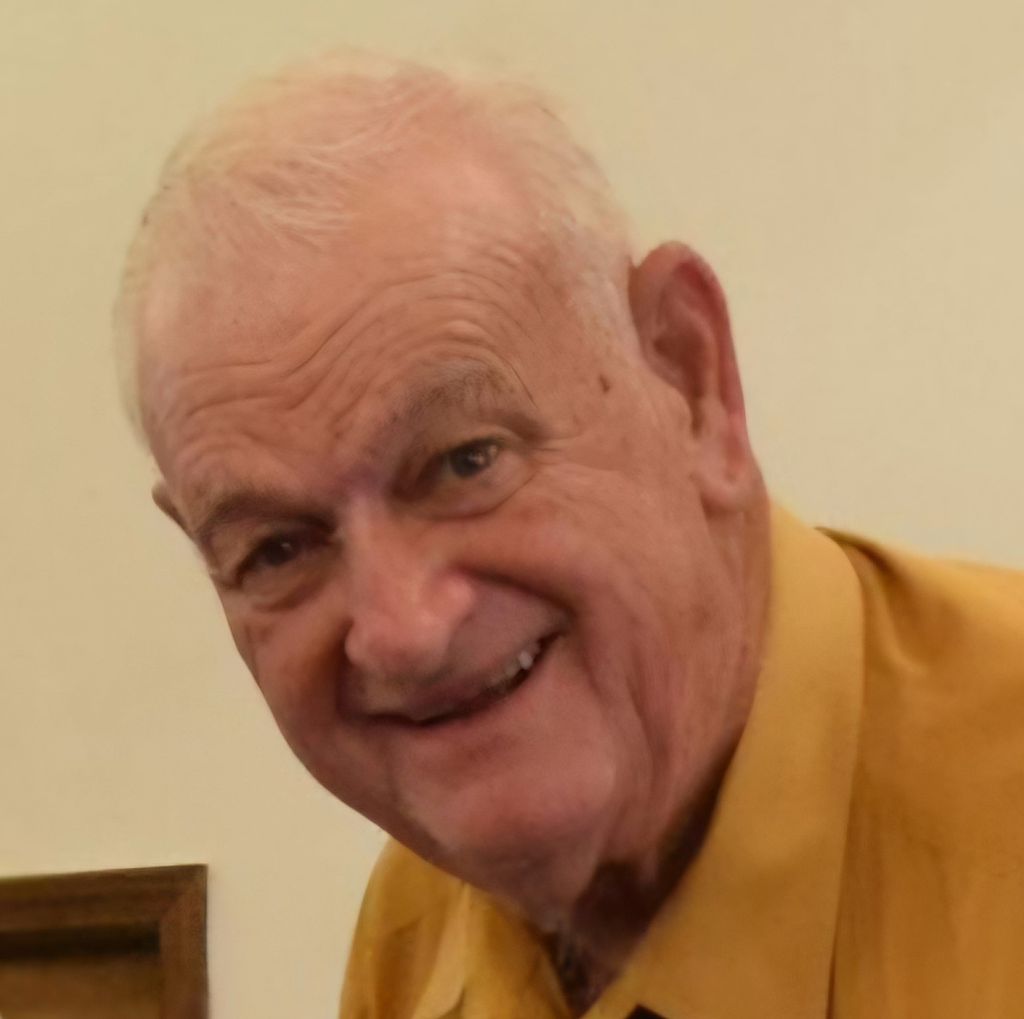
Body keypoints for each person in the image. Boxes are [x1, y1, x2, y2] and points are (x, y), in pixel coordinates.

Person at [115, 51, 1024, 1019]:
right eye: (279, 549)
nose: (401, 631)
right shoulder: (414, 934)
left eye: (464, 460)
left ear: (689, 379)